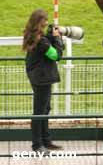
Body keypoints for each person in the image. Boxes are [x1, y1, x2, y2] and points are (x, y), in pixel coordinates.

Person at [23, 9, 63, 154]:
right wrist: (57, 38)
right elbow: (56, 55)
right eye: (45, 21)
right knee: (39, 112)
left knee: (45, 109)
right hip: (42, 78)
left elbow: (44, 45)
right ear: (40, 22)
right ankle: (37, 145)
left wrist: (51, 36)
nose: (46, 23)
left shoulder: (34, 36)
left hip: (38, 77)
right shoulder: (41, 41)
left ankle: (46, 141)